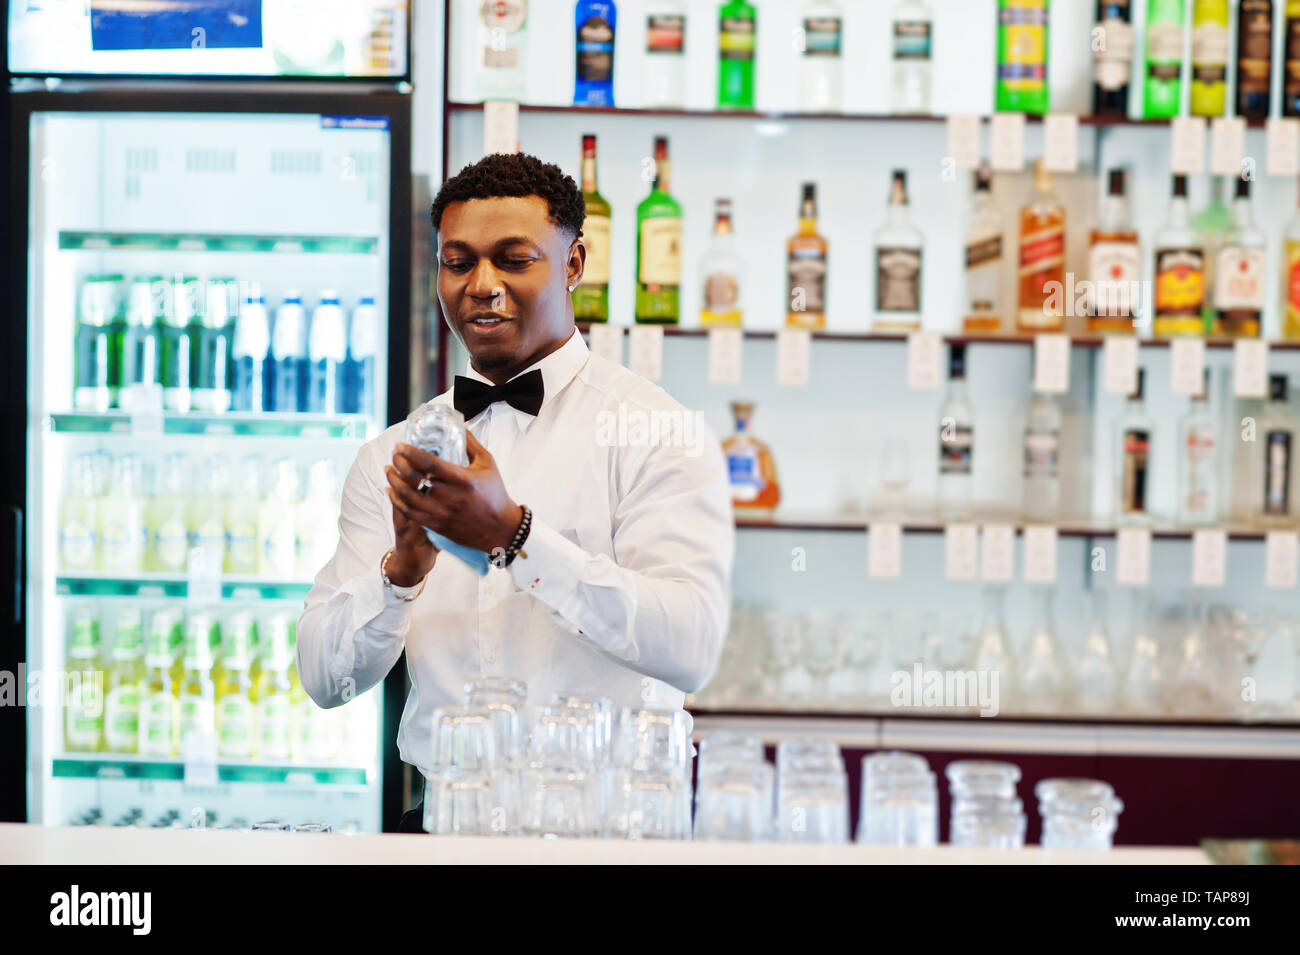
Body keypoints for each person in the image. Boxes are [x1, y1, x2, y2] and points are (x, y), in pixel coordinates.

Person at [296, 152, 735, 832]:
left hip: (612, 832)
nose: (482, 284)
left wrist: (515, 536)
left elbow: (692, 645)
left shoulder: (657, 431)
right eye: (459, 260)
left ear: (574, 263)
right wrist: (399, 575)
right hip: (445, 825)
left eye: (514, 258)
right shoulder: (391, 455)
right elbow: (326, 679)